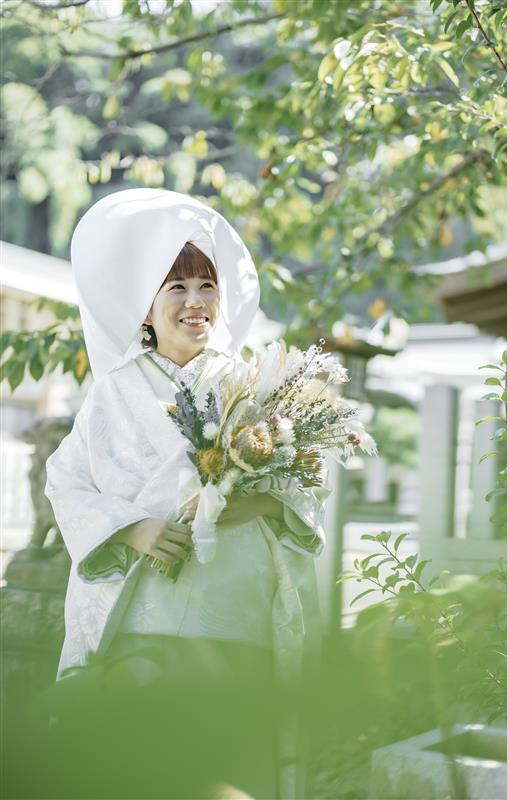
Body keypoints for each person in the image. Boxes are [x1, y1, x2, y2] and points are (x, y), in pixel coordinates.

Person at [43, 189, 330, 799]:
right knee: (135, 765)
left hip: (235, 604)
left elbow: (303, 481)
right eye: (176, 288)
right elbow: (66, 481)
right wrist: (131, 528)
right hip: (139, 606)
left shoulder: (251, 384)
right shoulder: (110, 392)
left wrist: (237, 501)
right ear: (144, 307)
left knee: (229, 763)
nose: (196, 302)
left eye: (207, 286)